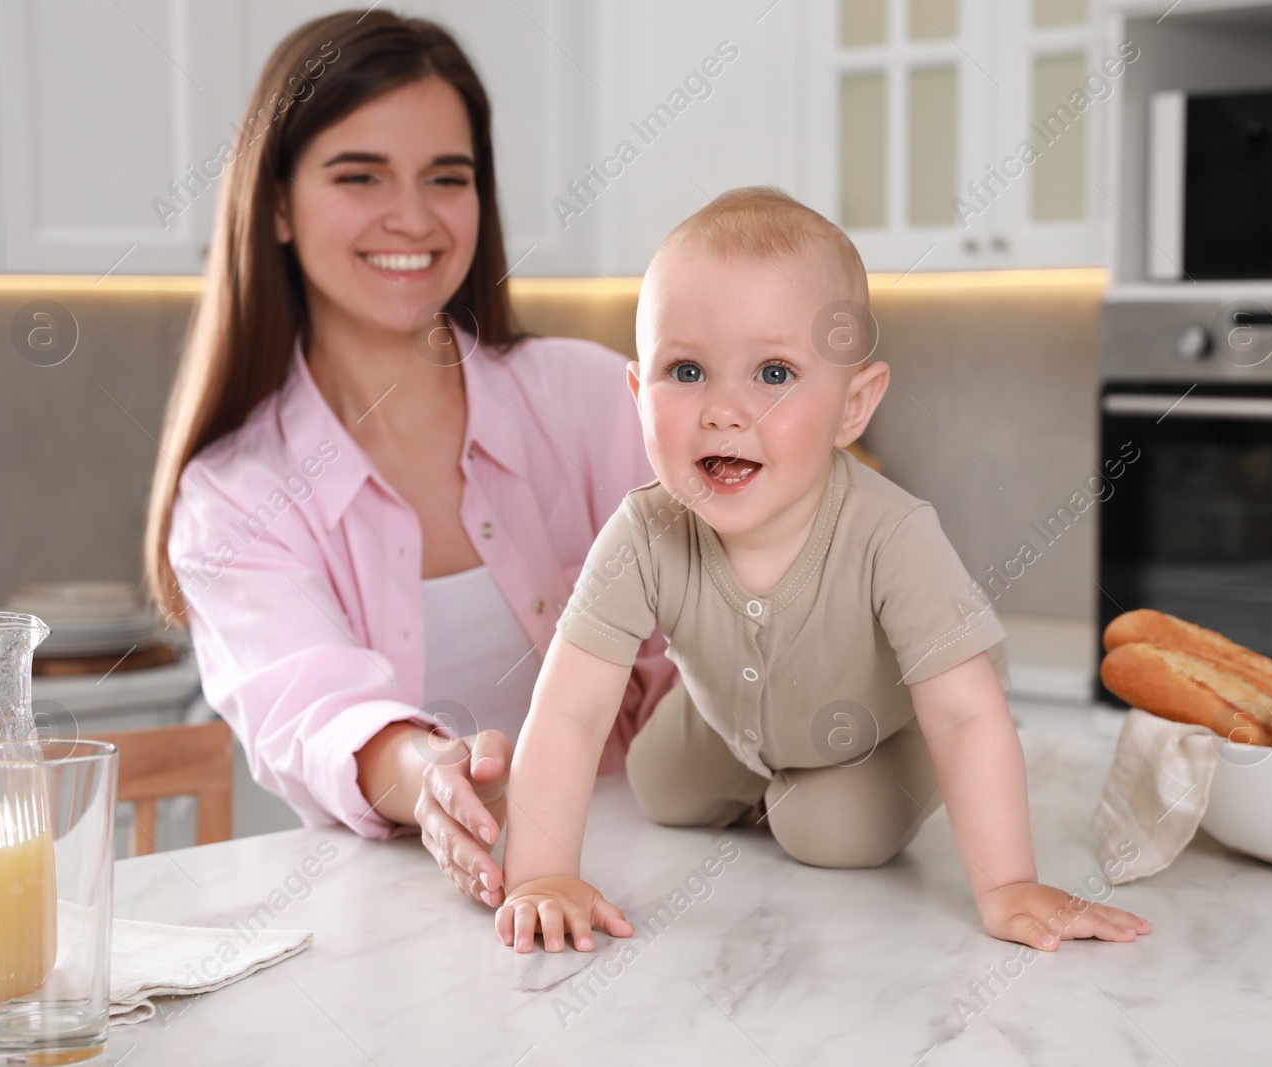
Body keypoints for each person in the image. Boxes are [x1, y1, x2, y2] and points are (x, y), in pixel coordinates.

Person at [493, 188, 1153, 953]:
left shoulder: (892, 533)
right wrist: (540, 871)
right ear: (639, 394)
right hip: (734, 720)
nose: (725, 410)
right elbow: (571, 708)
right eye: (687, 370)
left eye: (773, 373)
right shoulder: (645, 530)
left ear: (853, 405)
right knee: (658, 784)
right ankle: (757, 777)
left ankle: (862, 784)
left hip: (880, 730)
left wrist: (1009, 885)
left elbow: (968, 715)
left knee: (826, 834)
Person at [142, 10, 674, 909]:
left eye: (447, 178)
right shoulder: (236, 495)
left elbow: (722, 640)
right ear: (275, 202)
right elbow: (314, 714)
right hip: (400, 937)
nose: (414, 218)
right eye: (360, 175)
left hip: (649, 895)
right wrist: (435, 780)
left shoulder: (592, 401)